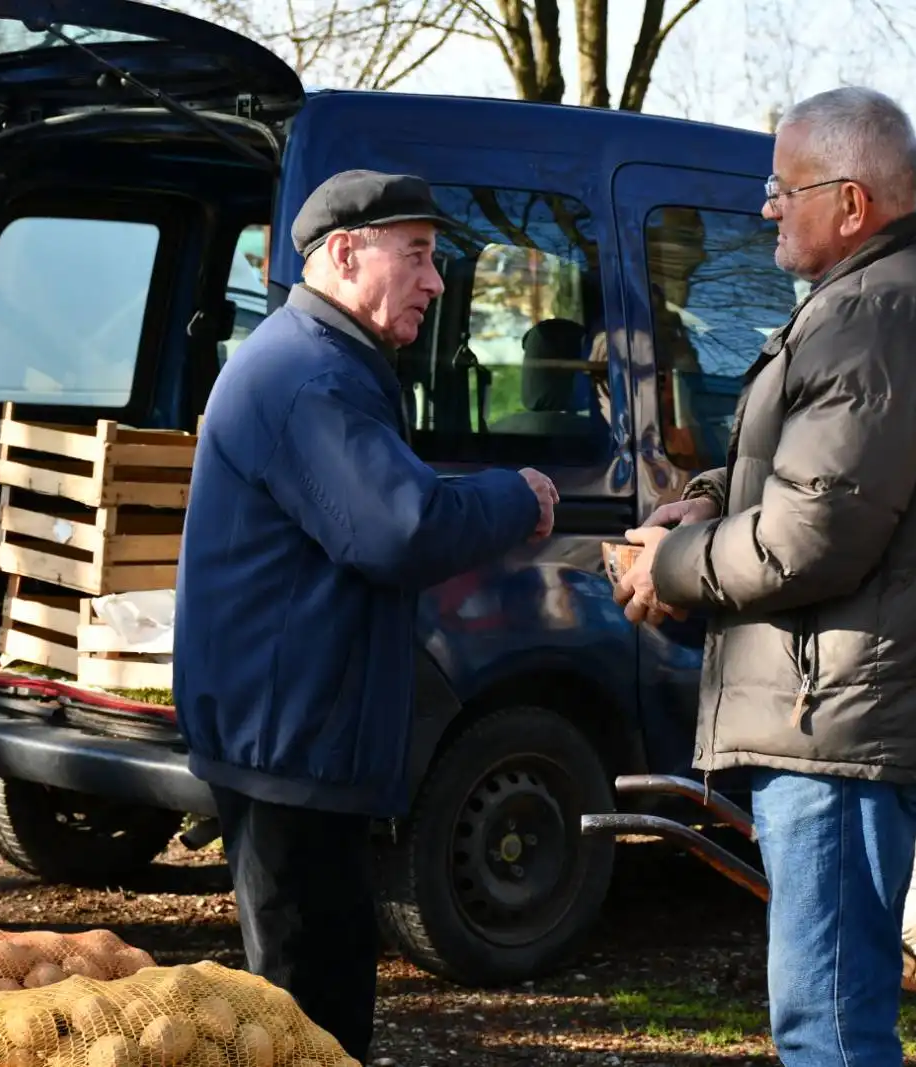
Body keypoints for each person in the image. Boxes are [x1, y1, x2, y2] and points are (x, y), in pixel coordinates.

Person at [612, 86, 916, 1067]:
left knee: (829, 1025)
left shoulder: (878, 315)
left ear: (850, 203)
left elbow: (812, 535)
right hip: (843, 714)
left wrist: (666, 563)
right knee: (831, 1016)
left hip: (841, 730)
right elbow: (816, 473)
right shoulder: (889, 298)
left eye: (782, 188)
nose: (765, 208)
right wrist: (708, 498)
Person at [173, 169, 558, 1062]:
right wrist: (514, 495)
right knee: (305, 1023)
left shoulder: (320, 361)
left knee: (313, 1005)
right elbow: (398, 527)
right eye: (417, 255)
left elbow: (388, 507)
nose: (435, 280)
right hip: (288, 754)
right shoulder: (313, 376)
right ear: (344, 255)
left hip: (292, 745)